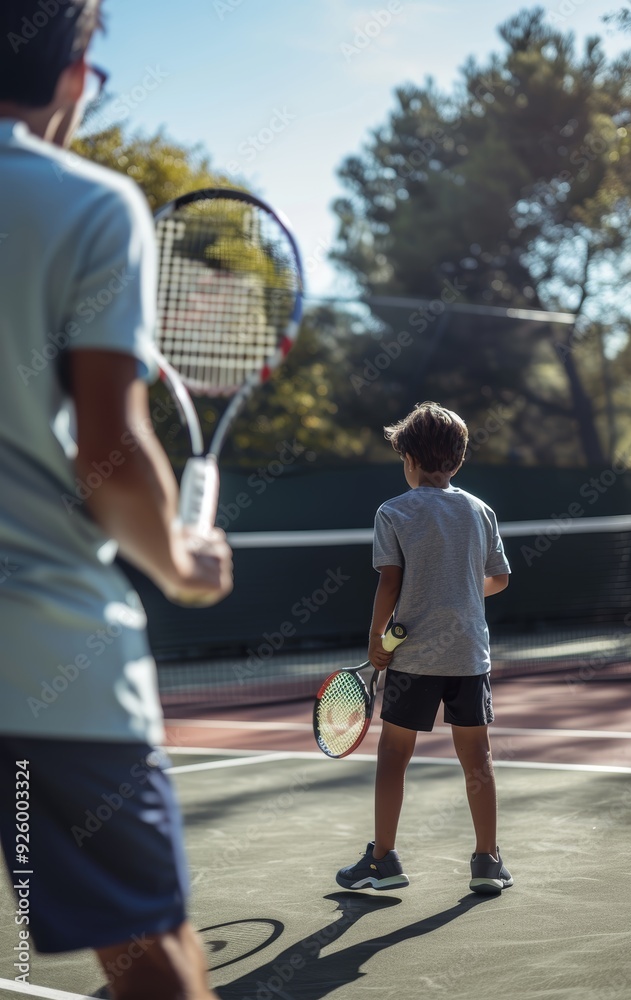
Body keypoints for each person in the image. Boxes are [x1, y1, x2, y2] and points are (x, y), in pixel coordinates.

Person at [0, 3, 232, 997]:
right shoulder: (87, 205)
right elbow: (112, 449)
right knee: (154, 960)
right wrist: (180, 565)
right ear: (73, 67)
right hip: (45, 656)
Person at [336, 402, 513, 896]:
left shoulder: (393, 511)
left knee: (393, 754)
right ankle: (487, 861)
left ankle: (382, 860)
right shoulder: (481, 511)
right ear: (457, 462)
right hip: (469, 656)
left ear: (408, 458)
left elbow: (389, 584)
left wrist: (376, 637)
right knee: (477, 757)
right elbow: (498, 579)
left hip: (412, 657)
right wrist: (456, 592)